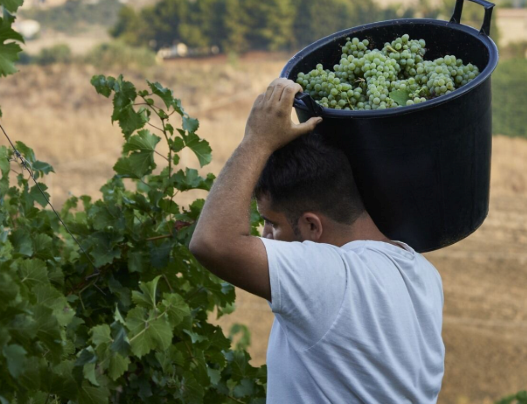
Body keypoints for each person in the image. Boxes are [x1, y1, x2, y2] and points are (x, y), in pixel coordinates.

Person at [189, 77, 445, 402]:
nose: (264, 235)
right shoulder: (423, 275)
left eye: (271, 224)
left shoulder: (333, 281)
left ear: (312, 226)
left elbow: (212, 242)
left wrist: (256, 141)